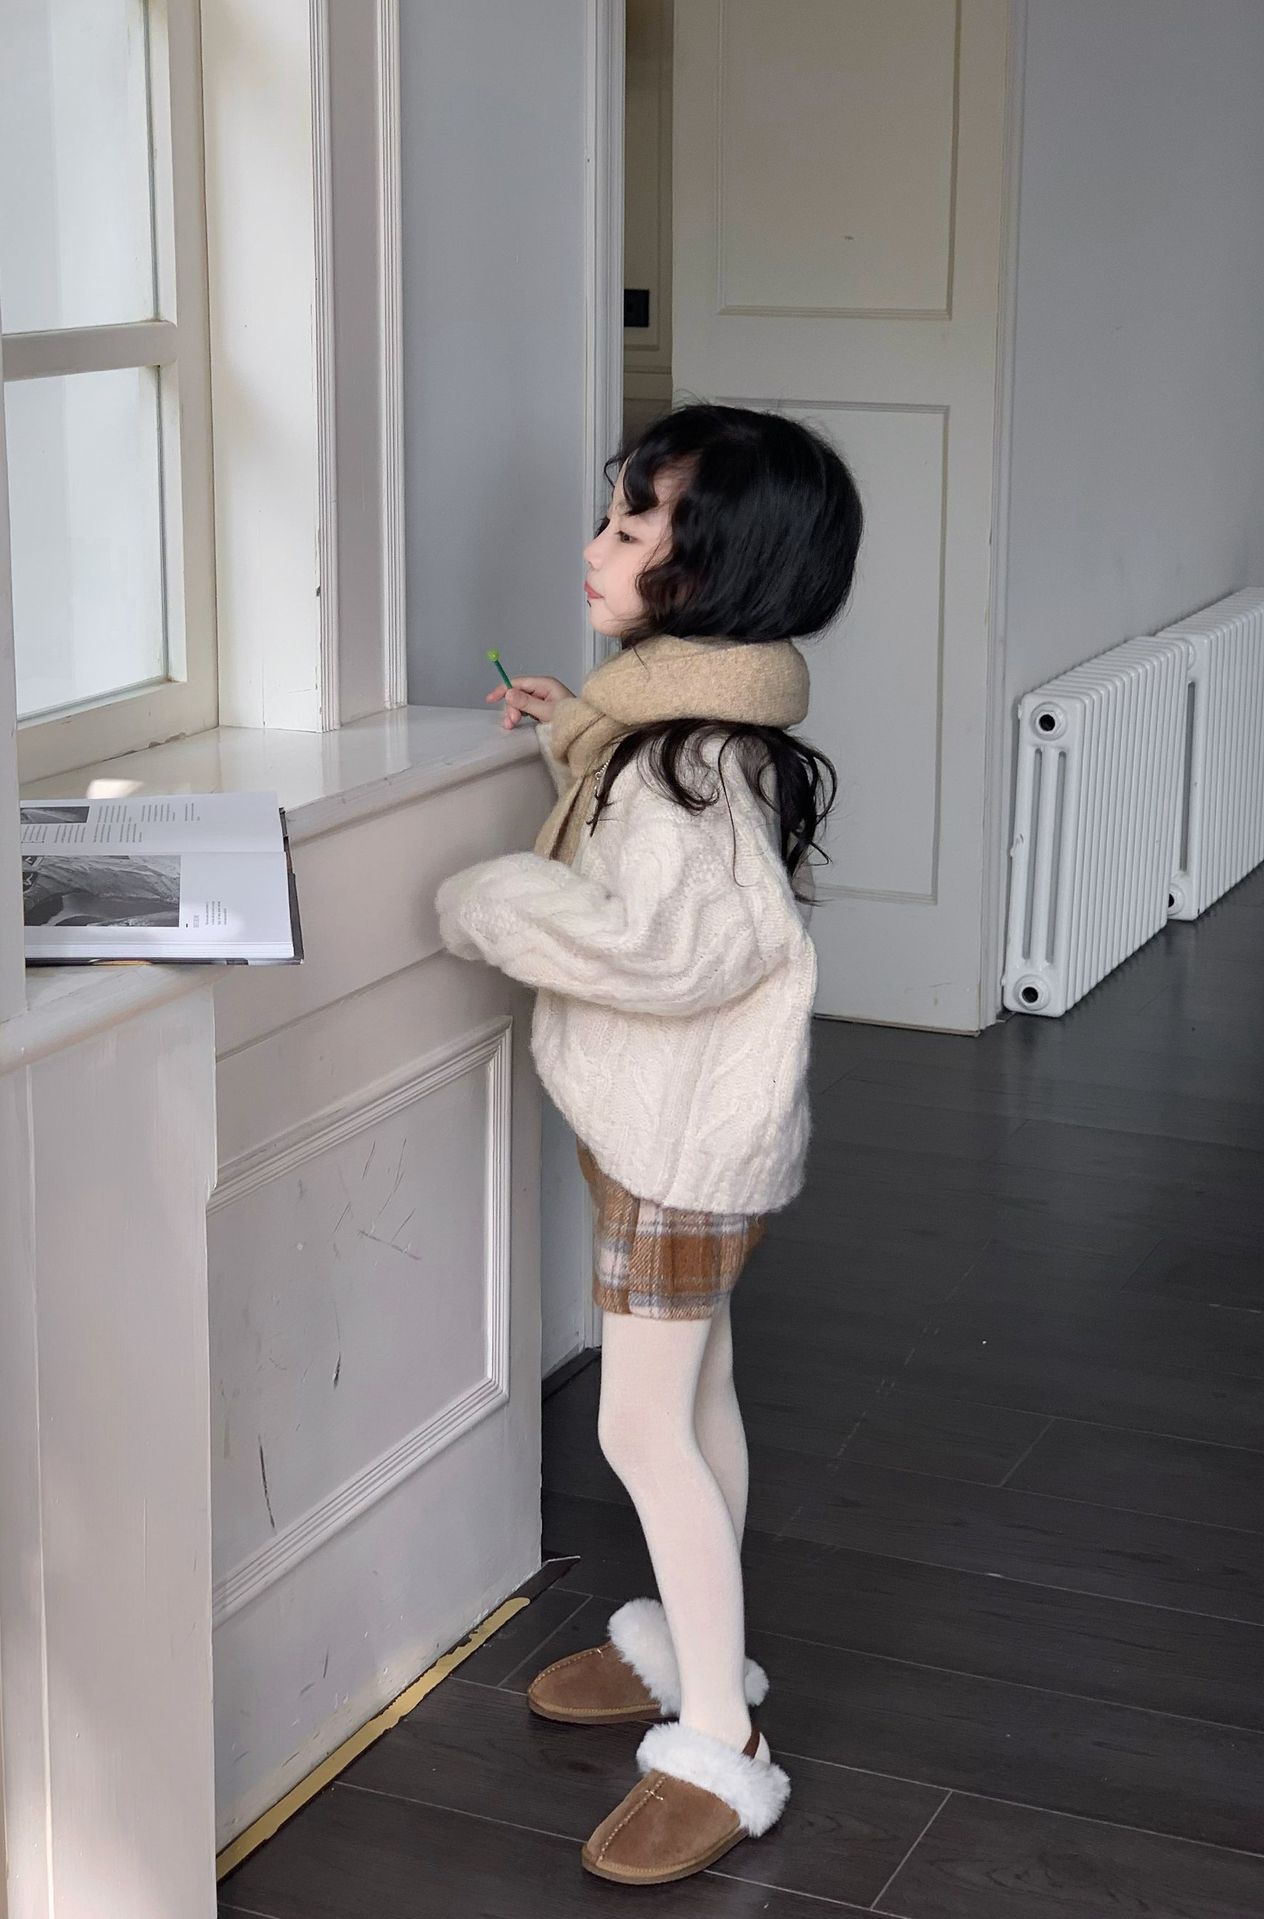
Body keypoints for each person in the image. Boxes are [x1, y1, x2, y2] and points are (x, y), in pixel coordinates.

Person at [436, 402, 862, 1887]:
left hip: (680, 1150)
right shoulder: (684, 733)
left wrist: (494, 901)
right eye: (610, 515)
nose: (595, 545)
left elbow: (672, 949)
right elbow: (651, 829)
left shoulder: (691, 770)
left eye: (630, 526)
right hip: (677, 1137)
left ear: (712, 573)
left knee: (638, 1430)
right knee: (700, 1397)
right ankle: (696, 1649)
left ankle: (722, 1744)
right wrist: (578, 722)